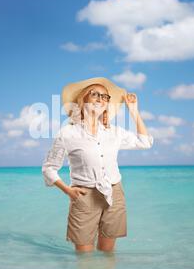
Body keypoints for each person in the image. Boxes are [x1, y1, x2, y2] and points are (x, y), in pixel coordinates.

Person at [42, 77, 154, 253]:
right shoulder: (67, 133)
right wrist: (68, 191)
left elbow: (145, 142)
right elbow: (49, 168)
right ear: (83, 99)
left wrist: (134, 111)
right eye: (95, 94)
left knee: (107, 254)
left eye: (105, 97)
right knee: (84, 257)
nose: (101, 99)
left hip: (114, 194)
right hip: (83, 196)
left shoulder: (114, 132)